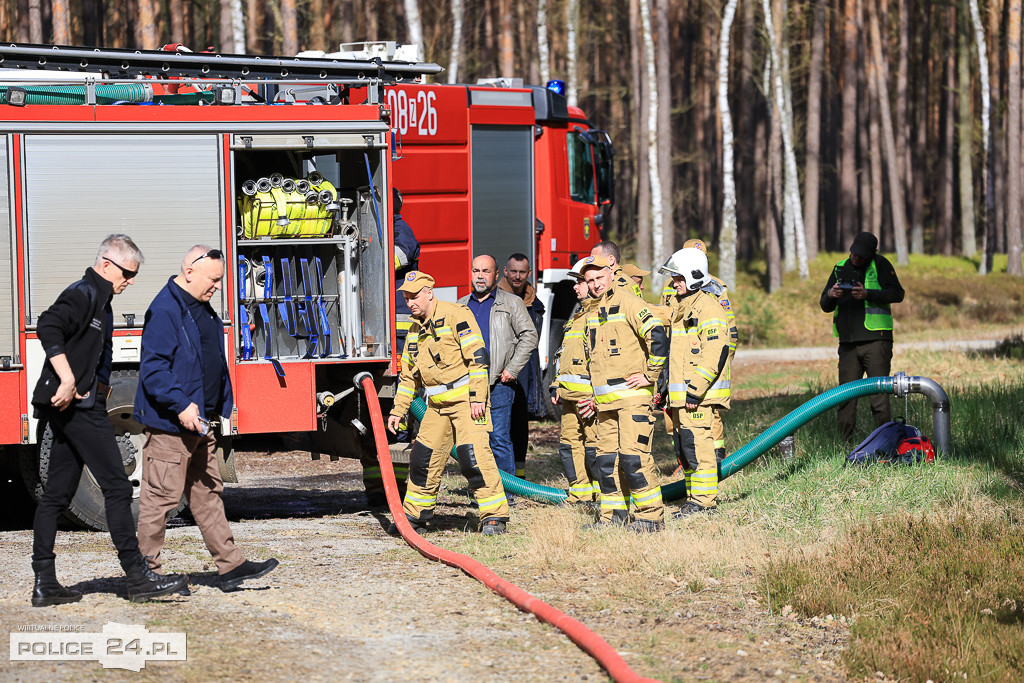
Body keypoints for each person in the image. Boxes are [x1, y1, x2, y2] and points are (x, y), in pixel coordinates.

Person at [30, 235, 188, 606]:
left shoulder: (103, 303)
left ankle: (45, 583)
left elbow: (94, 352)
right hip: (77, 409)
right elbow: (48, 326)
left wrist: (100, 388)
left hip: (81, 406)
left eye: (134, 274)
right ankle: (138, 576)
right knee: (118, 487)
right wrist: (69, 379)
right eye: (128, 272)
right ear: (106, 264)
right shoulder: (84, 293)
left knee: (56, 494)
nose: (131, 280)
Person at [135, 245, 279, 592]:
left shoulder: (199, 306)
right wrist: (182, 406)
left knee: (207, 493)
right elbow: (154, 371)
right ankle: (143, 573)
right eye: (213, 279)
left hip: (201, 422)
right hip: (173, 424)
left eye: (220, 280)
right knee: (161, 498)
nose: (217, 286)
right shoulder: (166, 309)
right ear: (189, 272)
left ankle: (231, 567)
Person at [388, 271, 511, 535]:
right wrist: (398, 411)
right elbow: (408, 377)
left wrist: (478, 397)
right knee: (422, 459)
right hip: (436, 406)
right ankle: (415, 516)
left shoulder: (456, 314)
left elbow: (478, 357)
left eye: (415, 296)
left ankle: (494, 517)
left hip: (466, 401)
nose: (410, 302)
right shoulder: (414, 331)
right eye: (407, 297)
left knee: (473, 457)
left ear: (429, 293)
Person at [580, 255, 669, 532]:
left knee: (634, 459)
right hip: (605, 404)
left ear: (610, 273)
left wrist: (649, 375)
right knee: (605, 462)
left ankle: (650, 518)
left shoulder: (629, 301)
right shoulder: (592, 313)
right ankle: (612, 517)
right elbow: (593, 358)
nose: (595, 284)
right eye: (590, 280)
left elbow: (657, 335)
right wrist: (594, 396)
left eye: (599, 278)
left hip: (632, 400)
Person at [660, 247, 732, 517]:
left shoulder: (707, 307)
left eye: (678, 278)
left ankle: (704, 502)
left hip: (696, 396)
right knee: (685, 446)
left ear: (693, 276)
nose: (674, 283)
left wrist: (694, 391)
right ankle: (693, 498)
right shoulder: (682, 306)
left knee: (699, 447)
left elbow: (714, 353)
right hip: (681, 397)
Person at [362, 187, 421, 507]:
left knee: (396, 418)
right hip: (380, 342)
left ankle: (395, 491)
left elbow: (391, 260)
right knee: (375, 419)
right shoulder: (378, 229)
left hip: (400, 346)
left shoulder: (400, 230)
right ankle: (376, 489)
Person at [459, 255, 538, 483]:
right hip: (470, 385)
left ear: (496, 275)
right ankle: (481, 490)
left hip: (499, 385)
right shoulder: (461, 306)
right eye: (476, 271)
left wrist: (512, 369)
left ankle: (507, 492)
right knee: (474, 440)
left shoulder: (511, 303)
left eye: (486, 271)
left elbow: (529, 336)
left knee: (499, 439)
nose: (480, 276)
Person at [820, 231, 905, 440]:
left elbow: (898, 294)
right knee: (845, 397)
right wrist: (832, 294)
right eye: (853, 253)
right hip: (848, 344)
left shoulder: (881, 265)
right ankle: (844, 444)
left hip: (877, 341)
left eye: (860, 256)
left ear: (872, 254)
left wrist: (868, 294)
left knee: (879, 397)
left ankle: (885, 442)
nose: (855, 258)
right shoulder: (840, 267)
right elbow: (824, 304)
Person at [549, 259, 600, 505]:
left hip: (589, 399)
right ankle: (580, 494)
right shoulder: (578, 315)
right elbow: (565, 355)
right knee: (569, 445)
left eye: (579, 282)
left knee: (595, 447)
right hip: (569, 396)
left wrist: (597, 396)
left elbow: (605, 362)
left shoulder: (600, 316)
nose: (575, 287)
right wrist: (556, 385)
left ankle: (603, 495)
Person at [497, 252, 546, 477]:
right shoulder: (494, 300)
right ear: (505, 272)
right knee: (499, 423)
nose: (517, 276)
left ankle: (519, 474)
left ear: (529, 274)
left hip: (524, 368)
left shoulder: (536, 305)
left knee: (519, 420)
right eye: (513, 271)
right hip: (500, 369)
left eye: (522, 272)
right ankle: (498, 474)